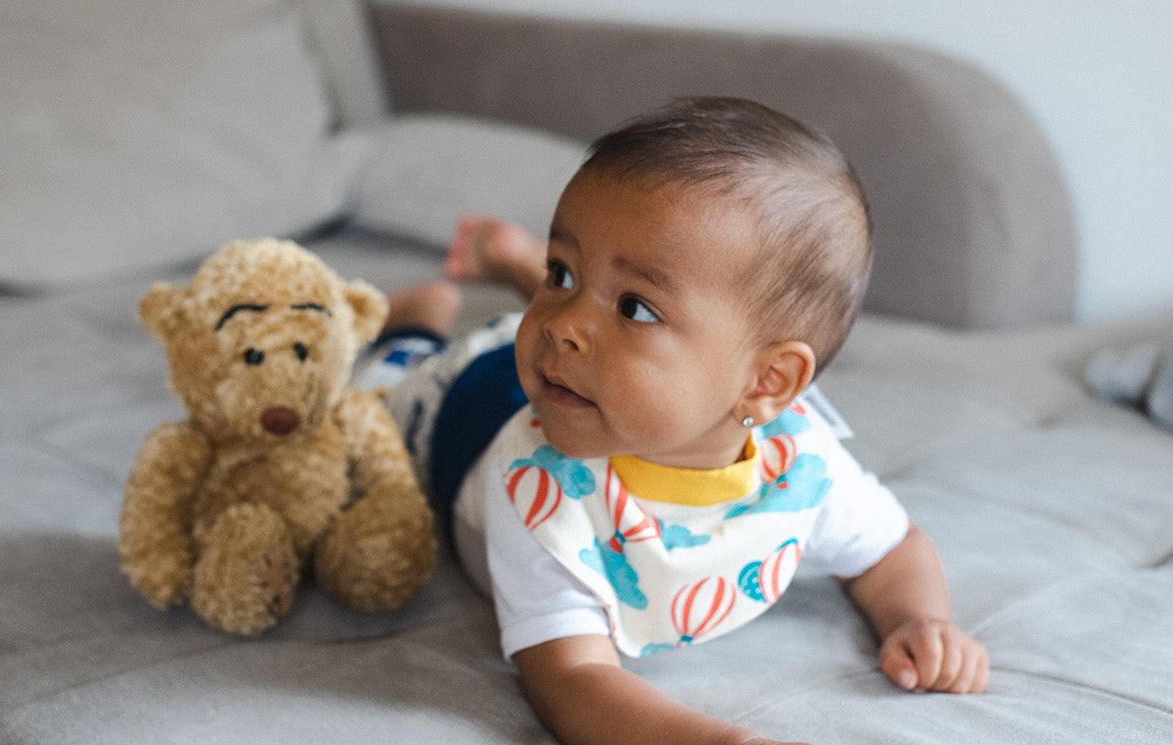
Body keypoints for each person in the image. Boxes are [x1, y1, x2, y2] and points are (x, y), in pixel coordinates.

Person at [362, 97, 989, 745]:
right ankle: (419, 318)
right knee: (380, 396)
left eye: (636, 306)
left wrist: (920, 618)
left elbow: (892, 549)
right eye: (561, 271)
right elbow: (571, 678)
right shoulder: (537, 489)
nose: (565, 321)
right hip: (462, 407)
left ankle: (517, 268)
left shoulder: (803, 467)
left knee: (566, 336)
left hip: (571, 385)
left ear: (767, 383)